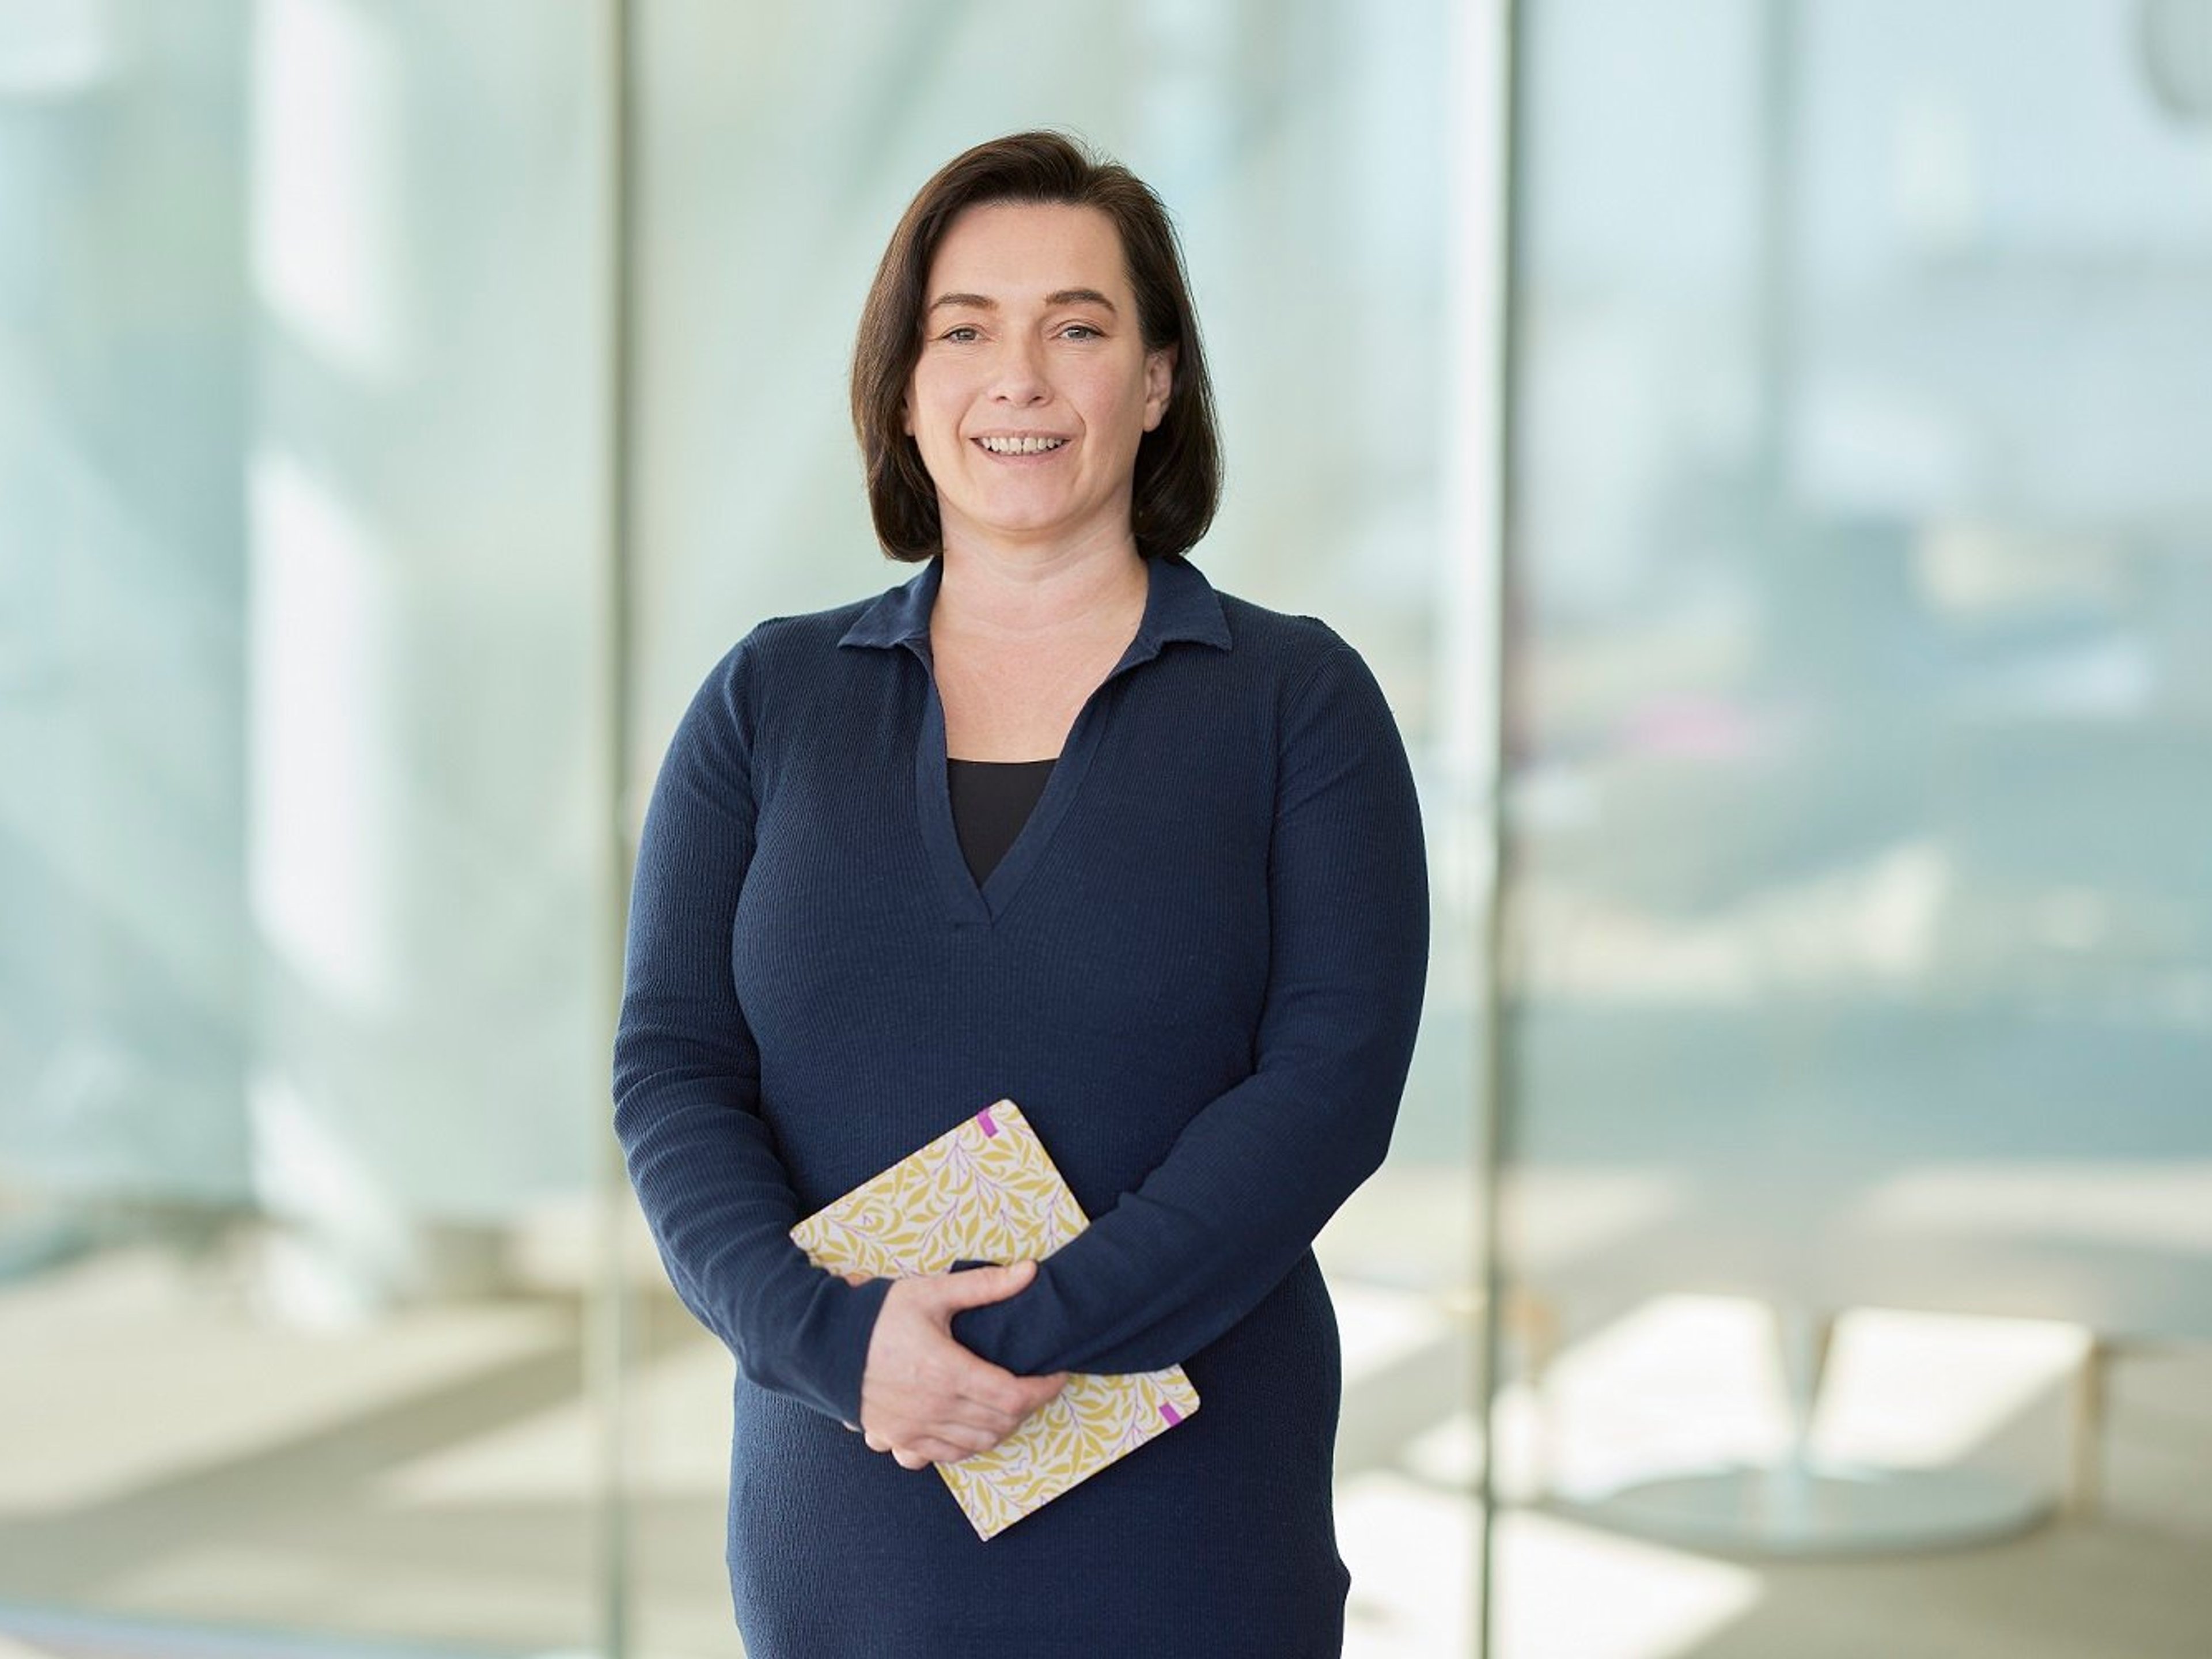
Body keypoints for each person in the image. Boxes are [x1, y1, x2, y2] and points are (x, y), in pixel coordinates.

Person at [611, 128, 1429, 1658]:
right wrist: (841, 1349)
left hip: (1189, 1523)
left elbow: (1331, 1089)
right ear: (904, 385)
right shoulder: (768, 700)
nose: (1022, 377)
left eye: (1080, 326)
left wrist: (1003, 1341)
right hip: (848, 1497)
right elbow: (671, 1072)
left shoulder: (1296, 702)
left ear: (1160, 381)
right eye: (965, 328)